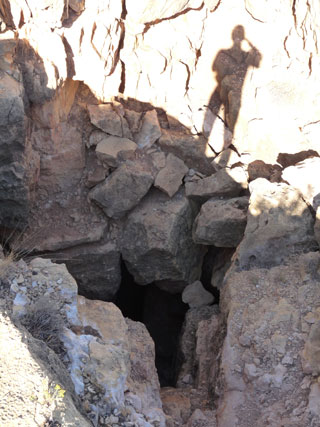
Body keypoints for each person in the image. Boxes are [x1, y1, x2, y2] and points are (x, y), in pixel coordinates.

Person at [205, 25, 261, 143]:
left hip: (235, 92)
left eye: (239, 36)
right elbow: (214, 68)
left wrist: (251, 45)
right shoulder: (224, 53)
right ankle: (207, 136)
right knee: (215, 109)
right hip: (223, 88)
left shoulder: (247, 56)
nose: (237, 38)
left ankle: (226, 142)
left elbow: (258, 61)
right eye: (237, 35)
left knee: (231, 115)